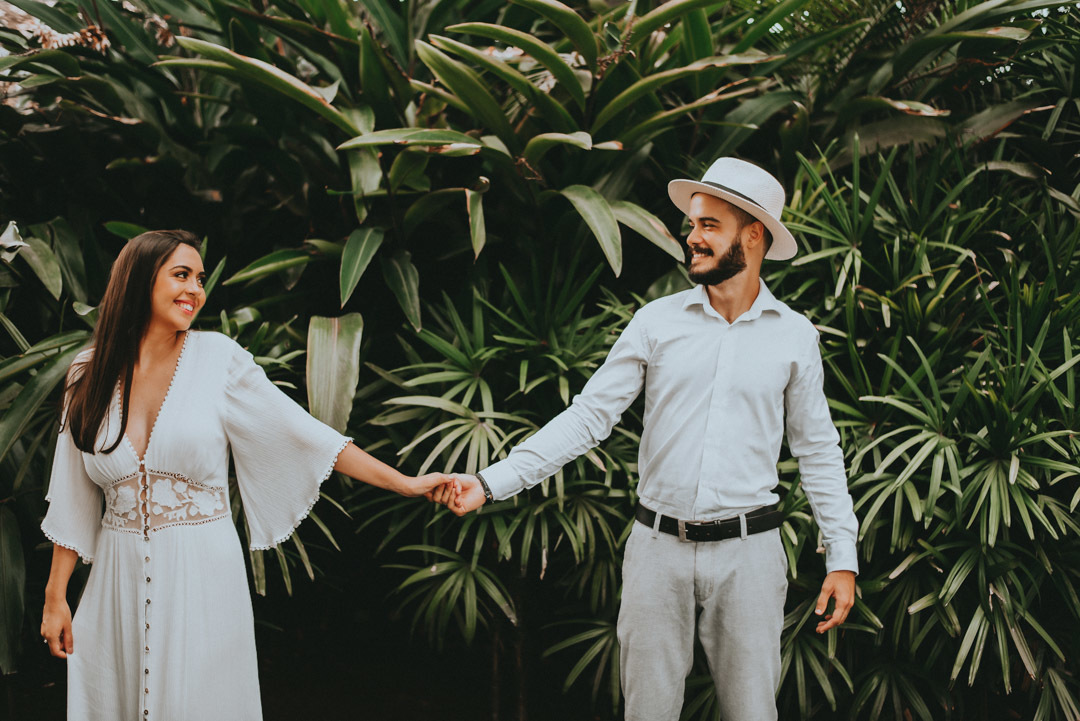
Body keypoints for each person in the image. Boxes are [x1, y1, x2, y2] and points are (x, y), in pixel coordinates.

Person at [434, 158, 859, 720]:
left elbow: (818, 451)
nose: (692, 237)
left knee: (753, 714)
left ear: (752, 235)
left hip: (751, 556)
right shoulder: (656, 323)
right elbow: (589, 417)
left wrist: (843, 558)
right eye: (692, 224)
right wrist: (491, 482)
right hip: (656, 551)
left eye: (709, 225)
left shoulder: (794, 337)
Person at [39, 230, 456, 721]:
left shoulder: (218, 361)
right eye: (181, 275)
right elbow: (74, 493)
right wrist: (55, 596)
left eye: (199, 278)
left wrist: (404, 482)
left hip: (203, 574)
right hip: (115, 579)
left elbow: (305, 435)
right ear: (137, 279)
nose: (196, 289)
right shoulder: (86, 374)